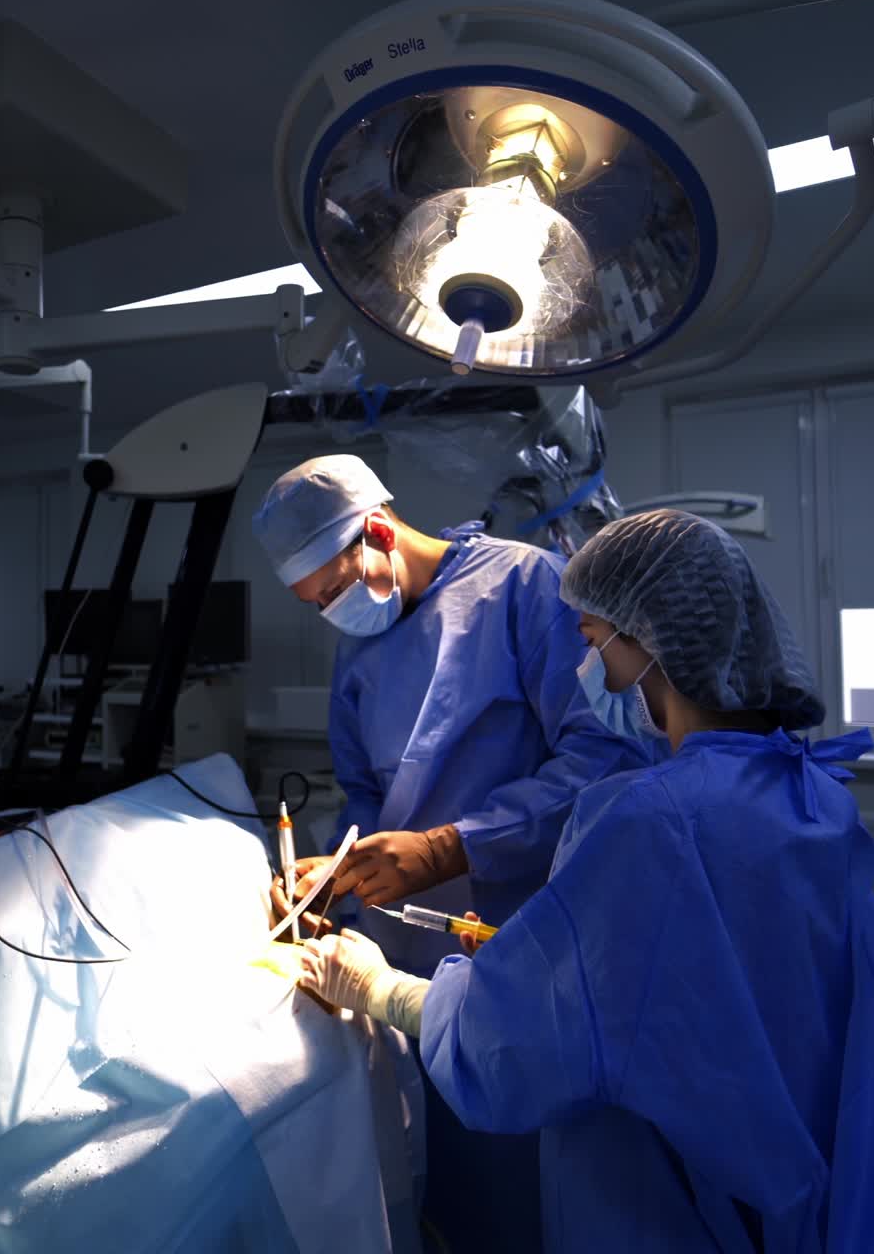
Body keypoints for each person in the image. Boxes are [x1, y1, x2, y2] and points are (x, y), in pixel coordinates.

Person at [298, 509, 874, 1252]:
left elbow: (515, 1044)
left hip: (682, 1209)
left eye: (593, 640)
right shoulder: (815, 796)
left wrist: (378, 988)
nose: (588, 670)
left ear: (648, 642)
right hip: (825, 1196)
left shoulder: (653, 822)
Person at [253, 453, 658, 1248]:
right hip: (403, 962)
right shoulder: (361, 646)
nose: (332, 612)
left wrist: (455, 846)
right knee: (439, 1177)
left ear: (378, 531)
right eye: (315, 604)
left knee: (528, 1174)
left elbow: (604, 760)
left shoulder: (525, 587)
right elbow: (363, 794)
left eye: (333, 589)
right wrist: (336, 870)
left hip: (526, 944)